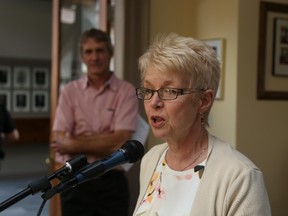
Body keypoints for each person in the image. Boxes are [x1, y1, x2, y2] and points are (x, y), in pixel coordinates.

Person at [133, 33, 271, 216]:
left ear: (204, 100)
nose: (154, 102)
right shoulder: (152, 159)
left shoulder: (240, 176)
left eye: (169, 91)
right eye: (149, 89)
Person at [51, 28, 138, 216]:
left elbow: (120, 142)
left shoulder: (126, 91)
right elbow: (59, 140)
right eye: (88, 52)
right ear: (82, 57)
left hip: (111, 182)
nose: (94, 57)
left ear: (110, 53)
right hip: (75, 179)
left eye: (100, 50)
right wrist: (104, 141)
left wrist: (74, 143)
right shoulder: (69, 92)